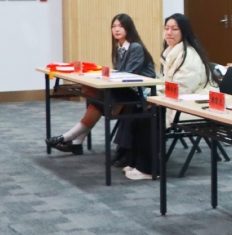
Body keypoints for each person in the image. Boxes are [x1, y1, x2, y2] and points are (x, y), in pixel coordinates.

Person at [47, 14, 156, 158]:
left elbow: (129, 75)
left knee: (97, 99)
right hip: (127, 90)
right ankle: (75, 141)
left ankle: (71, 138)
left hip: (141, 93)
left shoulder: (135, 47)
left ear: (129, 28)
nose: (116, 30)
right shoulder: (119, 48)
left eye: (120, 26)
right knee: (93, 94)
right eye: (114, 26)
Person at [125, 14, 216, 180]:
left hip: (193, 104)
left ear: (183, 31)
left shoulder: (189, 56)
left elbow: (183, 89)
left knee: (149, 116)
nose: (169, 32)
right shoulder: (171, 52)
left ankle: (149, 169)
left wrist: (156, 99)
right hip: (174, 100)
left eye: (174, 29)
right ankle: (136, 161)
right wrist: (152, 97)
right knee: (137, 109)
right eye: (166, 28)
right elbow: (164, 83)